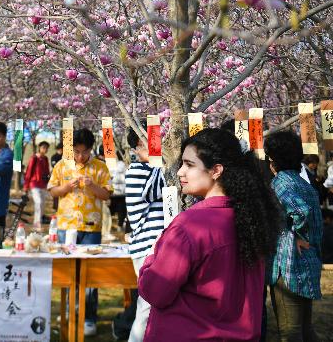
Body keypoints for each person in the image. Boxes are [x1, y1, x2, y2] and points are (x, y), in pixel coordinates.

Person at [138, 128, 281, 341]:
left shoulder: (190, 225)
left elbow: (156, 291)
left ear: (216, 170)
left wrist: (151, 260)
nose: (180, 172)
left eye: (189, 164)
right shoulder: (251, 218)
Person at [48, 128, 112, 337]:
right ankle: (68, 311)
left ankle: (89, 317)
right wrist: (66, 186)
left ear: (91, 149)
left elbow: (106, 196)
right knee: (67, 271)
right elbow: (53, 190)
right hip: (66, 226)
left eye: (84, 152)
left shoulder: (100, 167)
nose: (80, 156)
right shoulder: (61, 165)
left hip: (91, 227)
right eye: (76, 151)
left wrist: (93, 186)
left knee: (90, 275)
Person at [264, 130, 323, 342]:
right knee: (305, 328)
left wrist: (293, 232)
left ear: (273, 159)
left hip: (288, 264)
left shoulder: (280, 182)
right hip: (308, 261)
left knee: (290, 331)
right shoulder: (302, 181)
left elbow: (301, 211)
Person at [124, 126, 165, 342]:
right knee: (146, 306)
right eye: (153, 141)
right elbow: (154, 189)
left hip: (155, 246)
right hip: (147, 246)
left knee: (152, 307)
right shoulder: (137, 171)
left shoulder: (149, 168)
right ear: (138, 146)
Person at [23, 141, 51, 231]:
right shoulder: (34, 158)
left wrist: (49, 183)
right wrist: (26, 186)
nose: (45, 149)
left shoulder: (46, 159)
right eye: (43, 147)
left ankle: (40, 221)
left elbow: (47, 172)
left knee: (42, 203)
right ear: (39, 147)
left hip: (43, 184)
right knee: (38, 202)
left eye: (46, 148)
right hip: (34, 183)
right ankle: (36, 224)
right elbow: (29, 172)